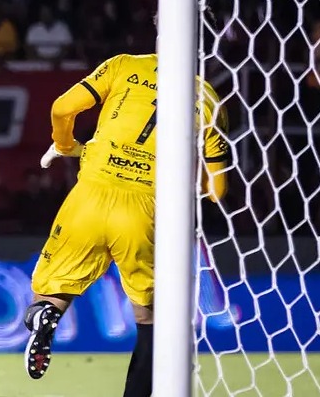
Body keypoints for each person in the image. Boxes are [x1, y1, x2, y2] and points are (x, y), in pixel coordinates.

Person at [22, 50, 229, 396]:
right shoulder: (209, 97)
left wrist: (65, 145)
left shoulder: (124, 65)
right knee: (150, 320)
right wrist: (191, 196)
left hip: (88, 195)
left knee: (49, 293)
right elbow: (218, 190)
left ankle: (43, 317)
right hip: (145, 209)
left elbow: (61, 107)